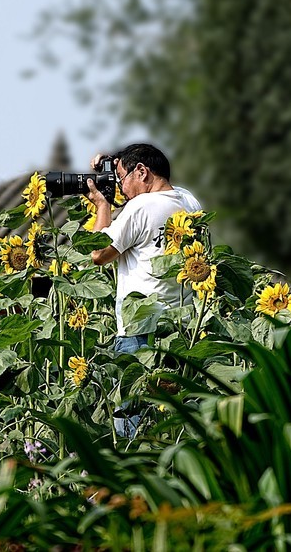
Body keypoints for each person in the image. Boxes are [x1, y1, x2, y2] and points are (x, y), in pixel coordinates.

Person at [84, 143, 201, 437]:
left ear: (142, 171)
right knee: (173, 421)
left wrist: (102, 206)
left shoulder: (141, 207)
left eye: (122, 178)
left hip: (140, 332)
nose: (121, 187)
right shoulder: (189, 202)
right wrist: (113, 162)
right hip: (180, 329)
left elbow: (97, 254)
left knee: (132, 422)